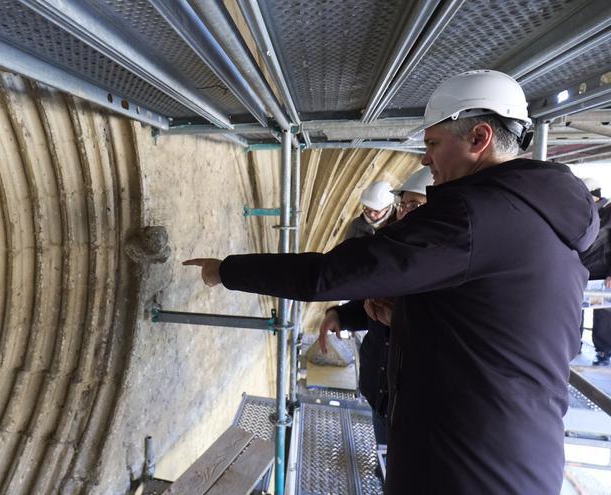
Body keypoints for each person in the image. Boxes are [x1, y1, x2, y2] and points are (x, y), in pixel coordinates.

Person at [184, 70, 598, 494]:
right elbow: (504, 329)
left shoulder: (474, 214)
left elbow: (329, 274)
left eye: (433, 143)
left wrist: (226, 270)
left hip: (469, 465)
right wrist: (414, 314)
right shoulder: (539, 218)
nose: (423, 159)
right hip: (508, 453)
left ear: (479, 138)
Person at [319, 167, 433, 448]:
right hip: (381, 392)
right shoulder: (389, 245)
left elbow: (455, 336)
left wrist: (401, 319)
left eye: (415, 205)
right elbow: (372, 305)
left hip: (418, 405)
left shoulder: (448, 262)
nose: (406, 212)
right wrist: (340, 315)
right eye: (403, 204)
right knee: (385, 460)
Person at [579, 177, 611, 365]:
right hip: (579, 271)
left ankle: (604, 351)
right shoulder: (581, 214)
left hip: (601, 274)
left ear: (596, 197)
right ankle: (572, 347)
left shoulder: (608, 213)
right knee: (575, 309)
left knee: (604, 312)